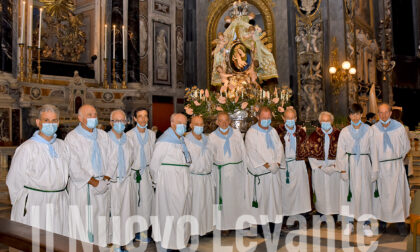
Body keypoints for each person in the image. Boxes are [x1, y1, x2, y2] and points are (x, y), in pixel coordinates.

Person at [6, 104, 69, 235]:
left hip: (59, 200)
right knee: (36, 241)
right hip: (36, 202)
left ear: (58, 123)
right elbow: (14, 180)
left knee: (58, 240)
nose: (50, 124)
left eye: (54, 120)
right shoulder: (27, 148)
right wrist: (22, 204)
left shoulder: (62, 146)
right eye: (46, 120)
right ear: (38, 122)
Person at [65, 104, 115, 246]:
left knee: (102, 222)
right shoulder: (72, 138)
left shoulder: (103, 135)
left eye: (94, 114)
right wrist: (95, 182)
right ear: (80, 118)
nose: (93, 117)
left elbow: (113, 157)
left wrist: (105, 179)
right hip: (84, 188)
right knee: (85, 225)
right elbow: (74, 166)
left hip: (103, 185)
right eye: (89, 115)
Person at [150, 113, 192, 251]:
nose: (183, 126)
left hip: (181, 181)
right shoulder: (164, 140)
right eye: (180, 122)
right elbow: (154, 164)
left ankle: (179, 242)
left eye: (185, 123)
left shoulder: (180, 139)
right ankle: (166, 243)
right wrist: (158, 182)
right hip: (169, 182)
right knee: (168, 213)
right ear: (172, 123)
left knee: (181, 212)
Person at [336, 104, 378, 237]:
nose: (355, 117)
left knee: (365, 194)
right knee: (350, 194)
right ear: (349, 116)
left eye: (357, 114)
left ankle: (365, 224)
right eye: (352, 114)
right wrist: (342, 169)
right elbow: (340, 152)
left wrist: (375, 169)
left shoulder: (369, 130)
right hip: (350, 165)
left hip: (365, 164)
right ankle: (349, 223)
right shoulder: (345, 131)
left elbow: (374, 151)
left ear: (361, 115)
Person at [372, 103, 411, 236]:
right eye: (380, 113)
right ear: (378, 114)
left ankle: (400, 223)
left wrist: (397, 159)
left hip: (395, 166)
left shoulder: (399, 128)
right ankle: (382, 223)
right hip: (381, 167)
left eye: (385, 112)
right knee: (382, 196)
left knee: (398, 195)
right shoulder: (374, 129)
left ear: (390, 113)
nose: (383, 115)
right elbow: (371, 149)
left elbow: (406, 146)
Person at [208, 112, 250, 233]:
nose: (224, 123)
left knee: (239, 197)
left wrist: (245, 168)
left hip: (237, 171)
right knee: (224, 200)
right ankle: (224, 225)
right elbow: (210, 156)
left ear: (230, 121)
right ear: (217, 122)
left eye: (226, 120)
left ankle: (241, 223)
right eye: (221, 120)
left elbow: (243, 151)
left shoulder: (236, 134)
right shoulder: (212, 136)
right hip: (222, 172)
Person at [245, 107, 285, 235]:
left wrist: (277, 163)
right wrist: (267, 166)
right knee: (263, 201)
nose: (267, 120)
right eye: (264, 118)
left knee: (274, 200)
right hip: (262, 173)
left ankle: (274, 225)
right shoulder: (251, 133)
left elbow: (279, 148)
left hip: (274, 172)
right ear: (258, 117)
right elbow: (252, 152)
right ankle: (262, 228)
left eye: (269, 118)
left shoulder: (272, 131)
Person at [276, 107, 311, 227]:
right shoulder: (278, 131)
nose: (290, 120)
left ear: (296, 118)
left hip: (298, 163)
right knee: (285, 192)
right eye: (288, 118)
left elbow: (306, 147)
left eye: (292, 118)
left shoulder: (301, 131)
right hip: (283, 165)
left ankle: (300, 216)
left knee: (300, 191)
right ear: (283, 118)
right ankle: (285, 217)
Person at [108, 109, 136, 251]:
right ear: (111, 122)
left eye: (122, 120)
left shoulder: (129, 140)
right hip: (111, 183)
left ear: (126, 122)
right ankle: (112, 242)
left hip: (125, 181)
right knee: (113, 213)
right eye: (116, 121)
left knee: (126, 213)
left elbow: (131, 159)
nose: (119, 123)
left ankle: (123, 242)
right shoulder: (105, 140)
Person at [126, 108, 156, 243]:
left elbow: (153, 154)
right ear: (135, 119)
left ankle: (144, 230)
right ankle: (136, 231)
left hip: (147, 173)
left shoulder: (151, 134)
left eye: (145, 116)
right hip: (134, 173)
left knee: (148, 202)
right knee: (135, 203)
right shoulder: (129, 135)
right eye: (140, 116)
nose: (143, 119)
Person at [307, 111, 341, 219]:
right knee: (321, 193)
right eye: (323, 121)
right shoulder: (314, 135)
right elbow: (310, 154)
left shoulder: (339, 134)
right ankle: (322, 214)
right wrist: (321, 166)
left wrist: (334, 166)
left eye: (327, 121)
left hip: (334, 170)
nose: (325, 123)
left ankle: (336, 216)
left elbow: (343, 153)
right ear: (320, 122)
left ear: (332, 121)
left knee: (335, 193)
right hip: (320, 170)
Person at [184, 116, 215, 238]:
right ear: (191, 125)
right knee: (194, 205)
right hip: (194, 177)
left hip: (207, 177)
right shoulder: (186, 140)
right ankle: (192, 232)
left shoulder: (207, 140)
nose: (199, 126)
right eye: (196, 124)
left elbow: (211, 157)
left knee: (206, 204)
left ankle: (206, 228)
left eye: (201, 124)